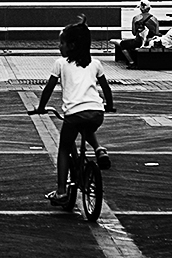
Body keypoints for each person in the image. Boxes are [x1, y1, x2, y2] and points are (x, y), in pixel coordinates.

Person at [34, 19, 114, 205]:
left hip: (73, 114)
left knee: (63, 148)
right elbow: (106, 88)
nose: (59, 46)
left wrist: (40, 107)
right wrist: (109, 106)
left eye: (61, 43)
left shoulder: (60, 64)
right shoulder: (95, 64)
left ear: (71, 46)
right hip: (96, 112)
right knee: (87, 127)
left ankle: (61, 191)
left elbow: (48, 88)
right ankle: (99, 150)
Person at [118, 0, 160, 68]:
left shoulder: (136, 18)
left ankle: (132, 62)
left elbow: (134, 33)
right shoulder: (155, 19)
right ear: (149, 8)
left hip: (139, 42)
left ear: (140, 8)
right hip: (151, 42)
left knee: (123, 44)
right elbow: (157, 33)